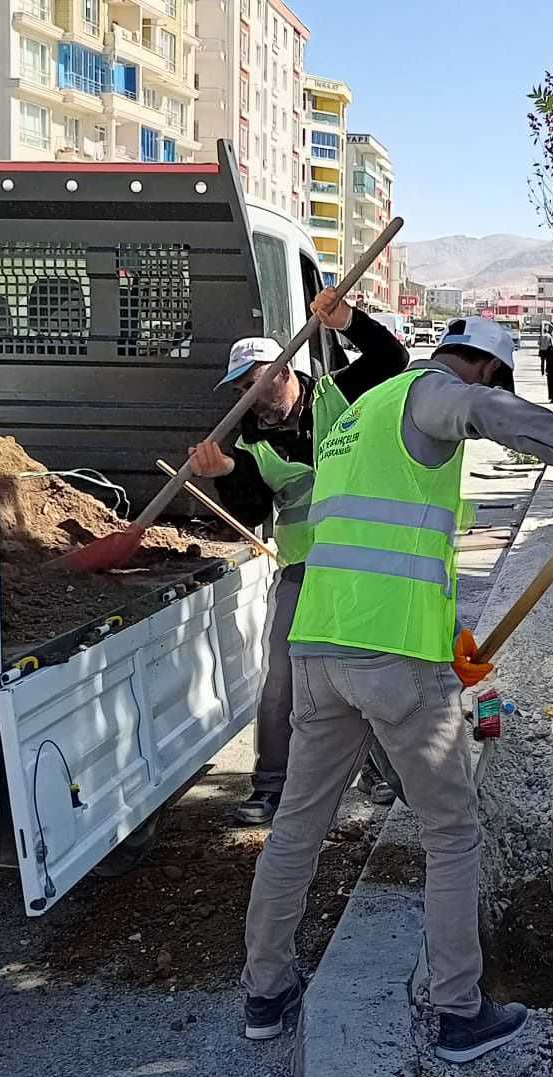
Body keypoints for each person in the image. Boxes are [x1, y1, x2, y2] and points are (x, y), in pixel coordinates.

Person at [241, 318, 553, 1060]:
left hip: (321, 647)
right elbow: (487, 414)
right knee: (452, 831)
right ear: (485, 370)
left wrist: (446, 642)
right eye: (493, 381)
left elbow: (390, 543)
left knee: (299, 827)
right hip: (391, 658)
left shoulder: (355, 417)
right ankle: (458, 1011)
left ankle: (265, 993)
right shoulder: (434, 393)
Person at [189, 290, 409, 823]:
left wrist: (347, 322)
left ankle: (381, 774)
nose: (252, 398)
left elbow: (392, 361)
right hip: (303, 570)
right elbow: (253, 506)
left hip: (364, 565)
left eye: (256, 382)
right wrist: (224, 477)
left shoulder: (341, 395)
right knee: (282, 678)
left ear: (284, 370)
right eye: (241, 390)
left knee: (370, 672)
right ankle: (269, 788)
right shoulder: (245, 442)